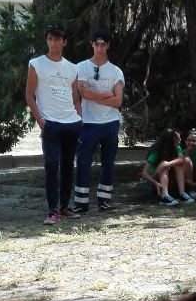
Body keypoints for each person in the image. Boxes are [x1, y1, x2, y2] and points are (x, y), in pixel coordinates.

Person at [25, 24, 82, 225]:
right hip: (50, 123)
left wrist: (80, 119)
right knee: (51, 164)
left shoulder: (72, 68)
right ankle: (52, 210)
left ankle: (65, 206)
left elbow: (76, 98)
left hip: (71, 123)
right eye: (50, 39)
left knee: (68, 165)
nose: (53, 43)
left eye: (58, 39)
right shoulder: (36, 64)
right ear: (46, 40)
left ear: (64, 42)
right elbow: (29, 95)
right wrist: (40, 120)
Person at [72, 29, 124, 214]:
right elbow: (83, 93)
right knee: (83, 160)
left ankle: (104, 200)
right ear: (92, 44)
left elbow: (118, 101)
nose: (100, 48)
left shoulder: (116, 71)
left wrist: (96, 97)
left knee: (107, 162)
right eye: (96, 44)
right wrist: (107, 95)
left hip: (110, 122)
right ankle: (81, 201)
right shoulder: (81, 67)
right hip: (88, 122)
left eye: (103, 44)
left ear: (108, 45)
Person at [141, 128, 195, 206]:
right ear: (170, 142)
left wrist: (166, 164)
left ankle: (182, 194)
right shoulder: (156, 151)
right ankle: (165, 196)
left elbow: (181, 160)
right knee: (164, 164)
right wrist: (156, 183)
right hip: (153, 181)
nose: (180, 142)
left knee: (175, 164)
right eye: (178, 140)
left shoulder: (177, 147)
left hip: (166, 180)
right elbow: (144, 173)